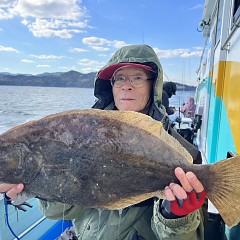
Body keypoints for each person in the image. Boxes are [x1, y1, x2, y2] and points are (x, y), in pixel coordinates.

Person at [0, 44, 206, 240]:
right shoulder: (81, 137)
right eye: (119, 79)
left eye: (137, 78)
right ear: (111, 87)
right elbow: (61, 212)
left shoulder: (186, 155)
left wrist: (175, 216)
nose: (126, 86)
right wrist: (35, 187)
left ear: (153, 85)